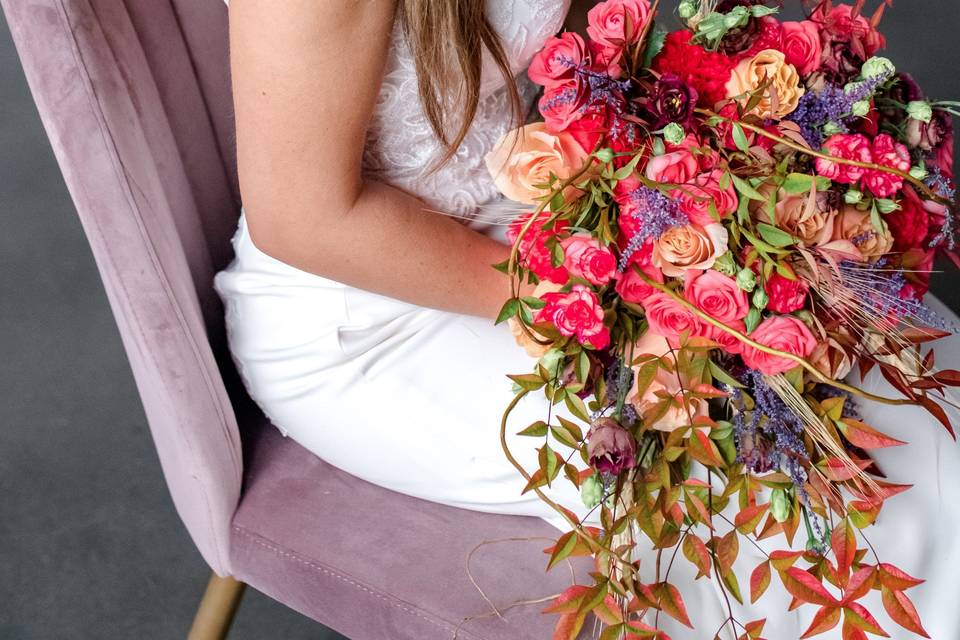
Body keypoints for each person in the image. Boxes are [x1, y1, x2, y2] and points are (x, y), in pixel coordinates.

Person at [213, 1, 960, 637]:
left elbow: (590, 68)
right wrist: (605, 308)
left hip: (528, 212)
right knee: (739, 457)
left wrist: (718, 185)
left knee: (880, 362)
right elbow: (304, 221)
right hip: (364, 312)